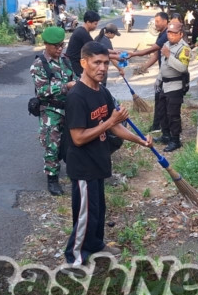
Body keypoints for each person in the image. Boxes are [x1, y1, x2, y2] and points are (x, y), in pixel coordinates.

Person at [63, 41, 154, 266]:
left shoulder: (102, 91)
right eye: (96, 63)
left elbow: (114, 126)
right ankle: (75, 259)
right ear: (83, 63)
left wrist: (140, 140)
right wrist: (110, 121)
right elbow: (78, 137)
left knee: (97, 210)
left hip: (98, 161)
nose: (102, 68)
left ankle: (95, 244)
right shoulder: (77, 96)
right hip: (83, 166)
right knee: (84, 215)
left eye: (105, 63)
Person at [30, 26, 76, 196]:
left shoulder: (65, 60)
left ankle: (73, 171)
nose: (59, 48)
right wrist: (66, 86)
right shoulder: (39, 65)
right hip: (50, 111)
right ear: (46, 44)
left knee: (71, 142)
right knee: (52, 145)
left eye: (62, 45)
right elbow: (42, 90)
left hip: (67, 108)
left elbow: (74, 78)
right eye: (56, 46)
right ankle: (52, 179)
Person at [126, 12, 169, 131]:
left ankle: (162, 127)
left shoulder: (166, 34)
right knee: (158, 98)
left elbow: (152, 49)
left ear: (165, 21)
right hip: (162, 73)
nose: (156, 24)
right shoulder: (161, 34)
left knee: (162, 100)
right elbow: (156, 54)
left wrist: (134, 54)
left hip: (168, 74)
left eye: (158, 21)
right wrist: (144, 67)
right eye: (155, 22)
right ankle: (157, 125)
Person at [157, 21, 191, 152]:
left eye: (174, 33)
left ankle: (175, 140)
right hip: (164, 84)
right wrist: (158, 79)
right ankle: (166, 135)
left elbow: (182, 68)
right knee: (162, 111)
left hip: (175, 85)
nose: (170, 35)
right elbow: (163, 65)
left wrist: (169, 55)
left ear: (180, 34)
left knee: (173, 114)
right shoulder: (166, 44)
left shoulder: (184, 48)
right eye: (169, 33)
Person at [65, 10, 100, 77]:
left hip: (76, 63)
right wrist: (114, 56)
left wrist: (112, 52)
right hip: (75, 64)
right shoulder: (82, 33)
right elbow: (96, 49)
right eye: (95, 24)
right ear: (88, 22)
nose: (96, 26)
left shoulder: (81, 31)